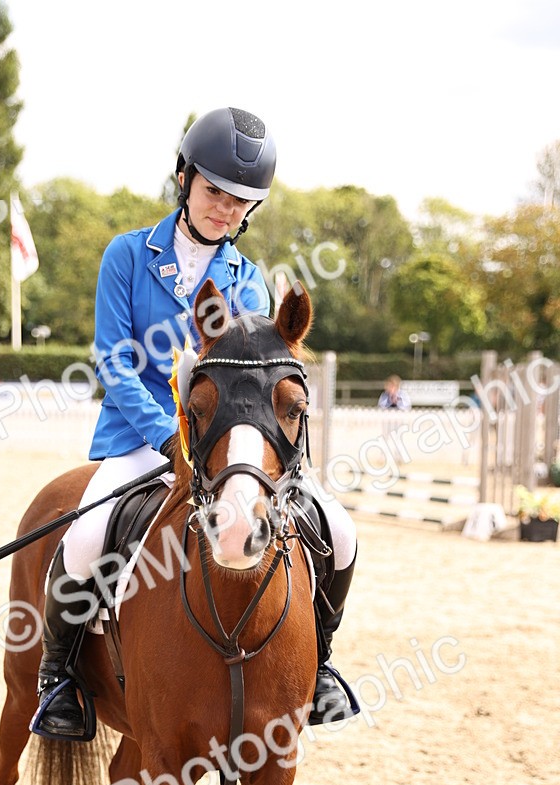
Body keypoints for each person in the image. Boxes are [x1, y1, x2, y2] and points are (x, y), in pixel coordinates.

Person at [35, 106, 358, 738]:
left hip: (225, 448)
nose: (226, 209)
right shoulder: (127, 255)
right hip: (139, 439)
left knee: (339, 534)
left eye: (241, 201)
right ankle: (61, 680)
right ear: (185, 178)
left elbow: (250, 382)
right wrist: (165, 434)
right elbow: (115, 361)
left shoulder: (247, 280)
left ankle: (318, 664)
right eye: (215, 191)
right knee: (82, 540)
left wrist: (218, 444)